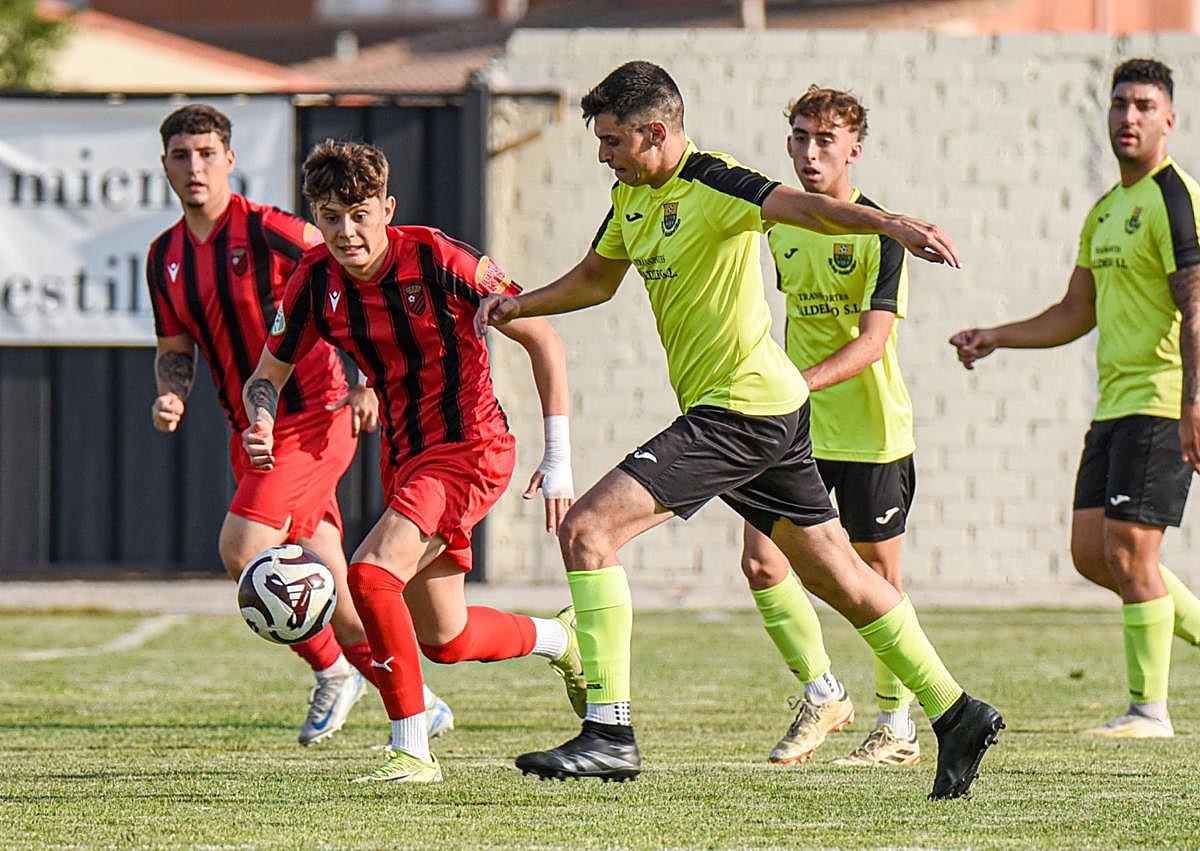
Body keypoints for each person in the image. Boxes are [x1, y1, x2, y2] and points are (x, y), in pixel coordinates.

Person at [477, 60, 1002, 800]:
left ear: (655, 132)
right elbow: (597, 278)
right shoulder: (629, 197)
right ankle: (958, 713)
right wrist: (519, 305)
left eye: (613, 140)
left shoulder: (714, 181)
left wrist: (889, 223)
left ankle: (609, 733)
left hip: (741, 411)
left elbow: (806, 209)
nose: (602, 155)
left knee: (589, 530)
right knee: (838, 576)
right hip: (764, 411)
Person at [242, 139, 585, 784]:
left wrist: (559, 455)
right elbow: (266, 376)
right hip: (405, 459)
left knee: (370, 574)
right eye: (330, 216)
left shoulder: (437, 257)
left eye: (359, 214)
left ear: (387, 209)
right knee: (447, 639)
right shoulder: (314, 280)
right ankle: (561, 640)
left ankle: (412, 748)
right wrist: (261, 416)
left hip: (471, 448)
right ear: (315, 218)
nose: (346, 231)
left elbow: (541, 334)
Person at [146, 105, 453, 747]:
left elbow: (360, 273)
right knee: (335, 593)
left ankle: (332, 672)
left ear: (230, 160)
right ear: (166, 165)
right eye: (181, 155)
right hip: (251, 430)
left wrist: (367, 379)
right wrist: (170, 394)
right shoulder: (164, 256)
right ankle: (418, 701)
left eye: (207, 153)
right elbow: (175, 347)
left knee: (243, 549)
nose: (195, 166)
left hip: (317, 415)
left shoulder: (271, 230)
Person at [951, 58, 1200, 738]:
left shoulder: (1175, 198)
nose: (1128, 116)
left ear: (1169, 120)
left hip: (1161, 400)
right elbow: (1075, 310)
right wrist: (998, 336)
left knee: (1131, 553)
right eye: (1120, 103)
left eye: (1144, 105)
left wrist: (1193, 402)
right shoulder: (1105, 210)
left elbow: (1196, 305)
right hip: (1114, 405)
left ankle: (1149, 712)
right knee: (1092, 552)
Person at [741, 86, 921, 768]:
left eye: (825, 140)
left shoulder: (883, 233)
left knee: (877, 576)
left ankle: (896, 724)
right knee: (761, 559)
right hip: (797, 431)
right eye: (800, 137)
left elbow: (872, 343)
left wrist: (796, 383)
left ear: (854, 150)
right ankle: (822, 694)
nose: (810, 152)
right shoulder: (778, 222)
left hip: (873, 432)